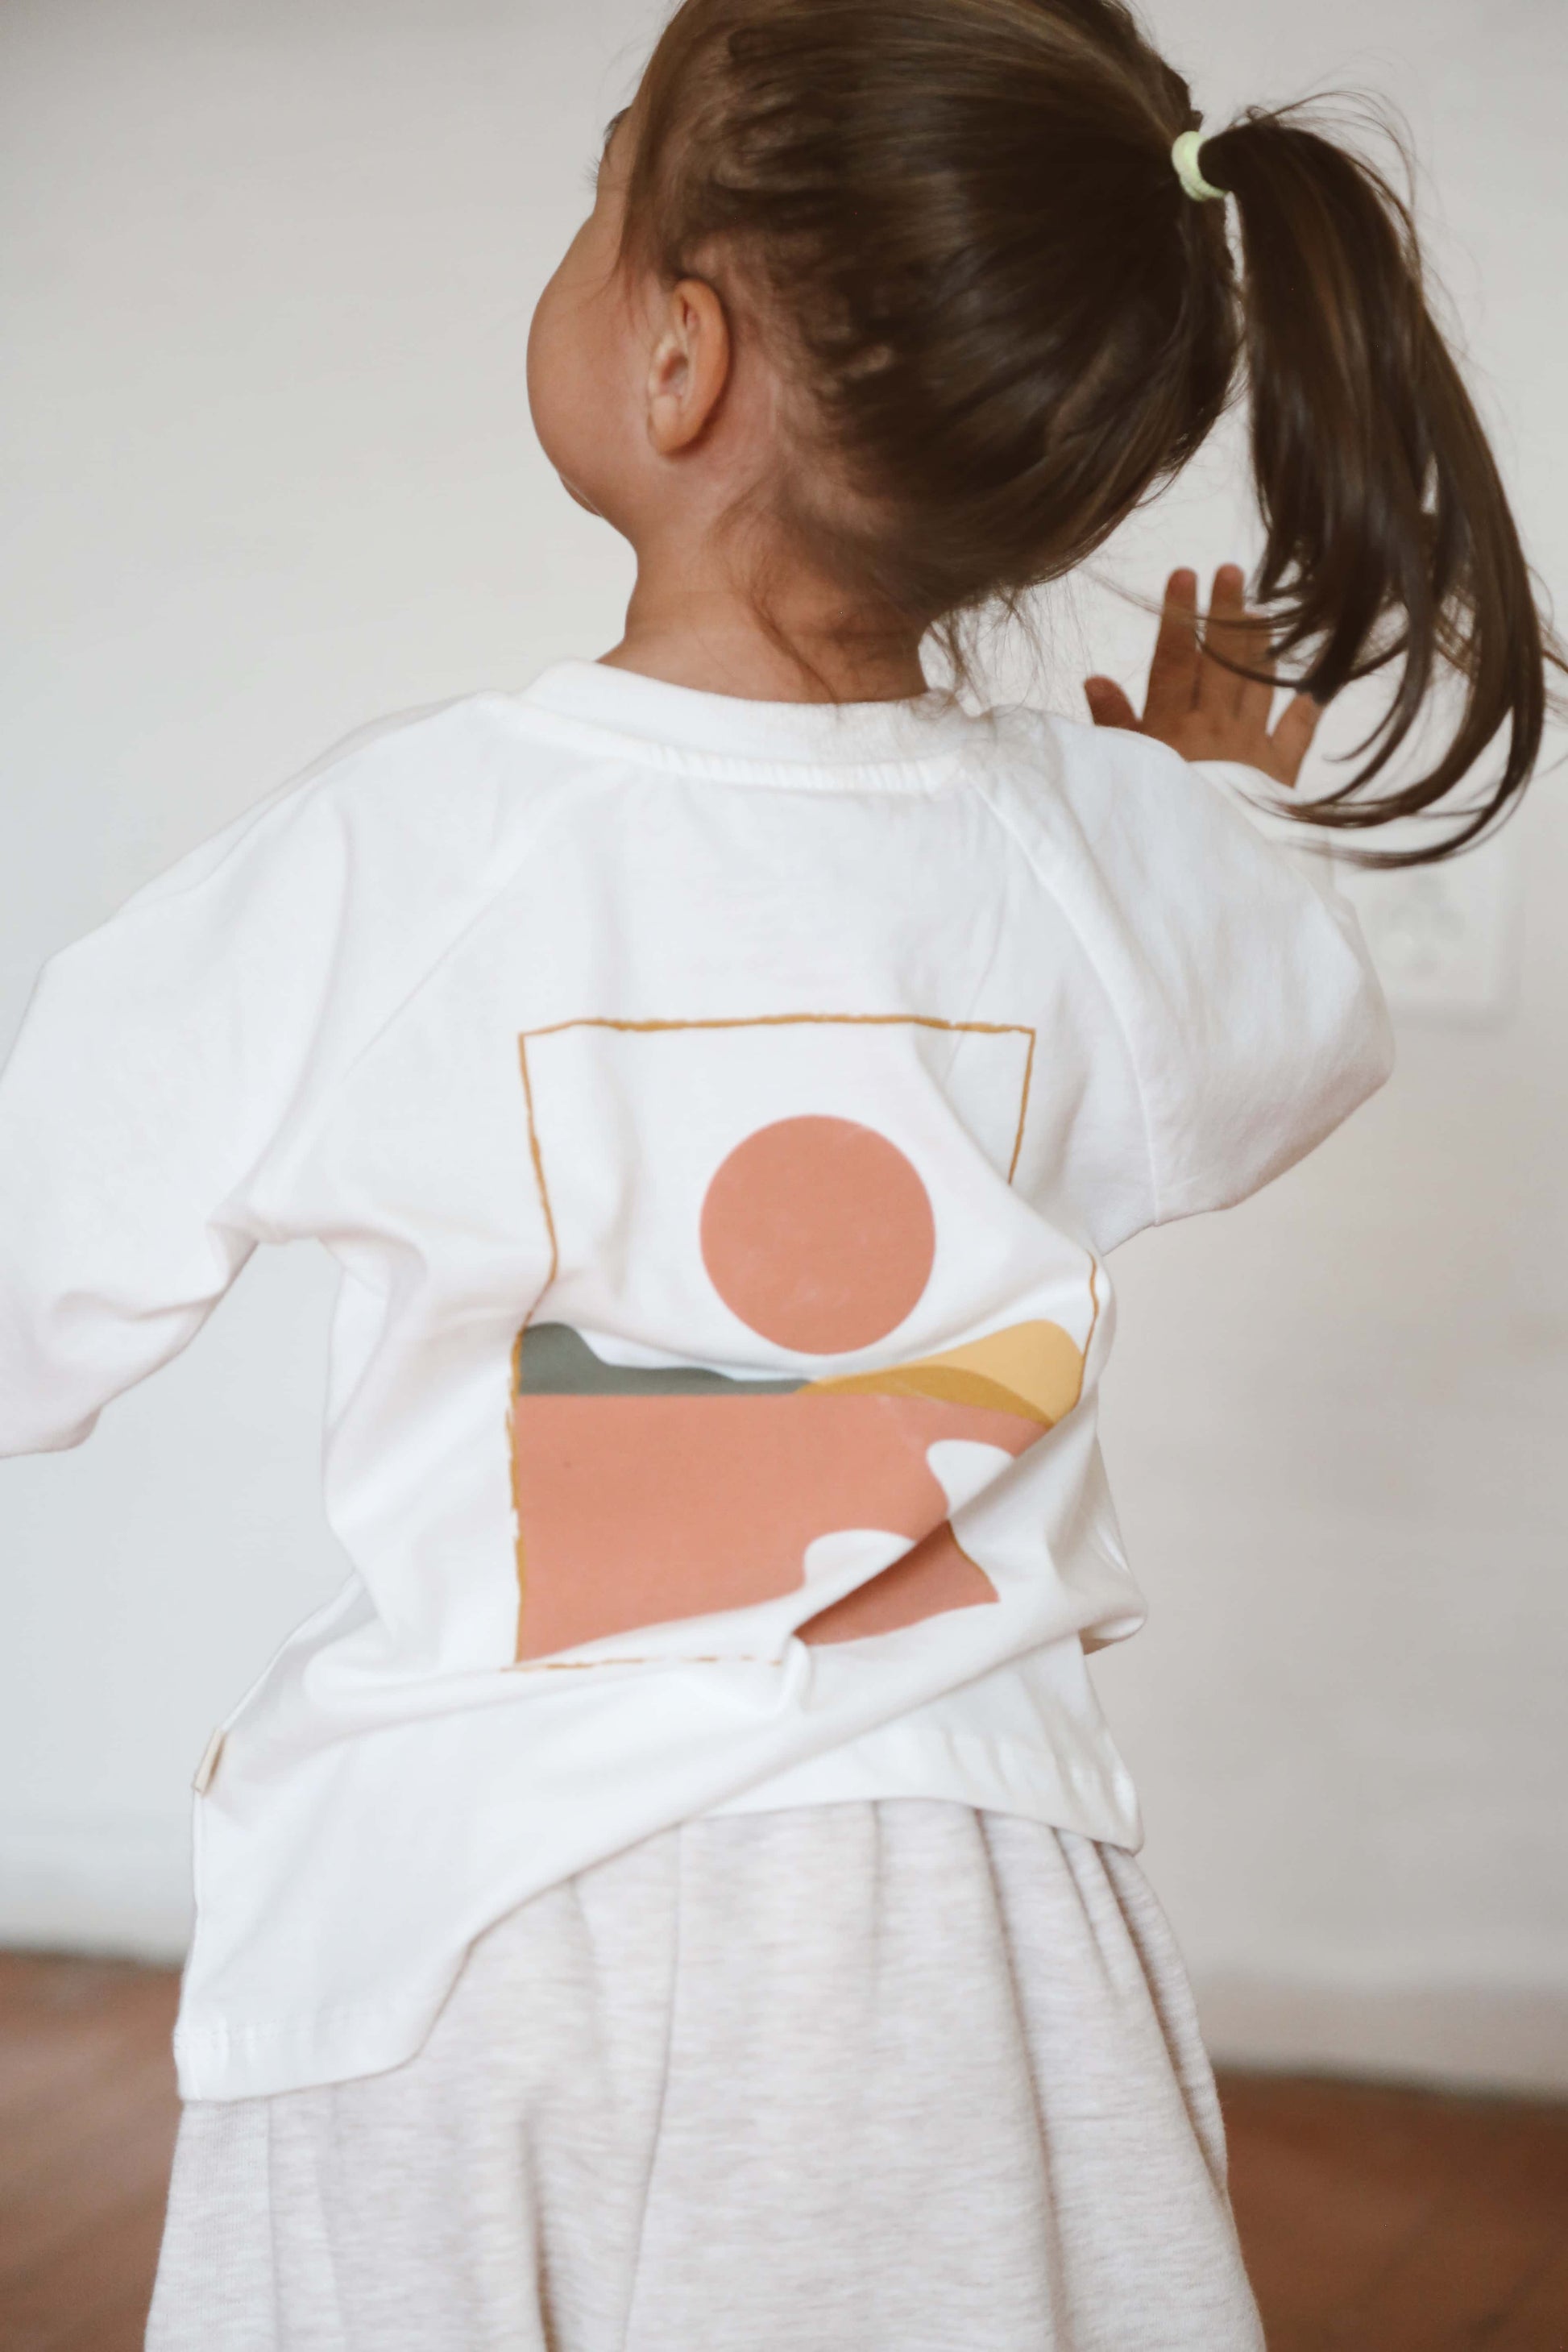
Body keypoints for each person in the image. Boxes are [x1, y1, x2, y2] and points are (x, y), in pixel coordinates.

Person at [0, 1, 1557, 2345]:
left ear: (680, 357)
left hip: (472, 1920)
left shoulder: (399, 850)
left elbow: (41, 1259)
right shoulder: (1094, 855)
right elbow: (1279, 1047)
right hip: (967, 1913)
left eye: (600, 188)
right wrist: (1197, 806)